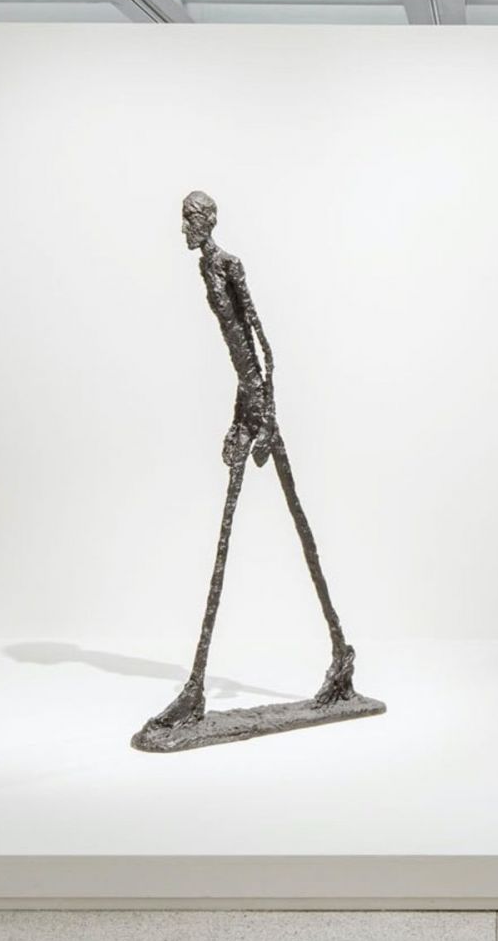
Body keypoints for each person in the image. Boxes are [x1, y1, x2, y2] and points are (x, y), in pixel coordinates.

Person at [143, 191, 361, 732]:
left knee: (289, 522)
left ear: (208, 221)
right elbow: (238, 357)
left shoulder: (227, 265)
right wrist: (238, 413)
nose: (185, 228)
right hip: (248, 400)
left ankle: (331, 656)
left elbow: (261, 345)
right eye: (183, 220)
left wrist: (266, 414)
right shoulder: (204, 268)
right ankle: (334, 651)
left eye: (191, 220)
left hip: (260, 402)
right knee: (268, 521)